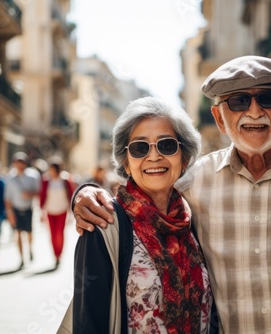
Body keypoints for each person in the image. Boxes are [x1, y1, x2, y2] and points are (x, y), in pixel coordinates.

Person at [72, 56, 271, 333]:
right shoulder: (195, 181)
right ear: (219, 117)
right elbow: (146, 191)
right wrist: (84, 194)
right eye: (238, 101)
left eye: (266, 98)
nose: (254, 111)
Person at [72, 97, 213, 333]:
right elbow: (88, 323)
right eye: (140, 148)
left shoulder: (194, 218)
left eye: (167, 145)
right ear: (126, 163)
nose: (154, 156)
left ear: (184, 157)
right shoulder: (103, 225)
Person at [4, 151, 41, 268]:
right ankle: (21, 258)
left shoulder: (33, 176)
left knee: (29, 233)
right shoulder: (9, 178)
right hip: (15, 209)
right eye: (18, 162)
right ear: (14, 163)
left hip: (28, 208)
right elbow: (7, 197)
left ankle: (29, 248)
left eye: (22, 162)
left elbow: (39, 192)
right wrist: (9, 212)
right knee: (18, 233)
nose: (20, 165)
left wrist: (29, 194)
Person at [39, 157, 75, 268]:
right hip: (50, 210)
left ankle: (60, 254)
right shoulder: (46, 180)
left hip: (62, 210)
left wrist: (72, 210)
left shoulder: (65, 180)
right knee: (52, 234)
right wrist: (41, 210)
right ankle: (55, 255)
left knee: (59, 233)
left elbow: (71, 193)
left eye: (52, 169)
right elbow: (42, 196)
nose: (50, 171)